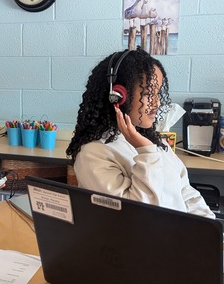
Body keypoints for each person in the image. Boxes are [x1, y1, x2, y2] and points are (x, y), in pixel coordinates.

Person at [66, 48, 215, 219]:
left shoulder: (155, 141)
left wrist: (209, 229)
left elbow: (185, 192)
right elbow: (136, 216)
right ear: (118, 96)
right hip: (142, 243)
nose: (157, 102)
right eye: (147, 94)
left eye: (157, 93)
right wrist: (145, 151)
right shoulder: (94, 153)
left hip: (181, 238)